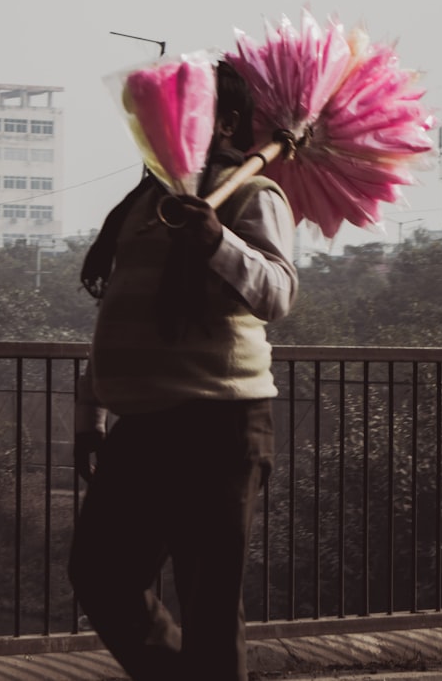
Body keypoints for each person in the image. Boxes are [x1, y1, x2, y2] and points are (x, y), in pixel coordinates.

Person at [67, 60, 298, 681]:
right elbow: (120, 316)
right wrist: (90, 416)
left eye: (190, 108)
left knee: (209, 602)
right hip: (141, 426)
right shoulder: (147, 201)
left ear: (223, 121)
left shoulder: (251, 193)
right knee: (100, 573)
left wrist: (217, 241)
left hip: (220, 425)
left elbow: (278, 293)